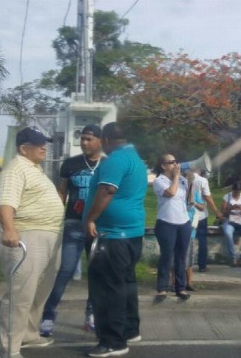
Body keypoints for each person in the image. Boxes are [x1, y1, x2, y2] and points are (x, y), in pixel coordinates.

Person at [0, 126, 64, 358]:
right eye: (38, 144)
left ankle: (29, 334)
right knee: (20, 294)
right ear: (24, 149)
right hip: (26, 236)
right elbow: (5, 203)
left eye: (45, 143)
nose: (44, 147)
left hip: (48, 235)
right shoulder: (16, 169)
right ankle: (10, 349)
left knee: (39, 291)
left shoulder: (34, 169)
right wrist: (10, 229)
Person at [84, 122, 148, 358]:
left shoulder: (115, 160)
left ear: (106, 140)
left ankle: (113, 341)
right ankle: (130, 330)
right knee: (126, 284)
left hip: (113, 235)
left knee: (108, 289)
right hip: (131, 233)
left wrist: (91, 218)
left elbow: (107, 191)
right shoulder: (135, 158)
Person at [39, 124, 102, 337]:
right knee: (65, 270)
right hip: (74, 225)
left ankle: (91, 314)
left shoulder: (109, 165)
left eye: (88, 139)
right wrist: (57, 218)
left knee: (96, 274)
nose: (84, 142)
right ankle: (48, 314)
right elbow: (62, 192)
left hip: (99, 228)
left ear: (100, 141)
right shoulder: (71, 164)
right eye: (82, 138)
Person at [152, 154, 192, 301]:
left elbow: (185, 199)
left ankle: (180, 287)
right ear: (163, 166)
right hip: (166, 222)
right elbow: (170, 193)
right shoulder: (159, 181)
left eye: (176, 161)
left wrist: (188, 180)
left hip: (183, 222)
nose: (175, 164)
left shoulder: (182, 180)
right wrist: (176, 177)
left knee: (181, 257)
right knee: (167, 255)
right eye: (171, 162)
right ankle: (162, 288)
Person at [186, 167, 223, 273]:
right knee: (202, 239)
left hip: (188, 214)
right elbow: (208, 197)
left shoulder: (184, 179)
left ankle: (188, 265)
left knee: (188, 240)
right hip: (200, 214)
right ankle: (202, 265)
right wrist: (216, 211)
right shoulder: (202, 181)